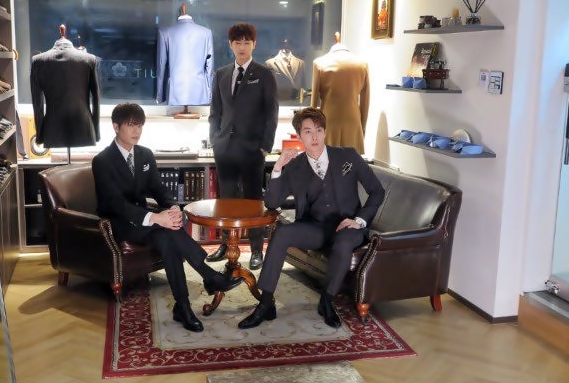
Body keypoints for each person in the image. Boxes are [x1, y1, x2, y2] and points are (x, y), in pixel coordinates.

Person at [92, 103, 243, 333]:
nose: (137, 131)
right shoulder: (102, 161)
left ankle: (183, 305)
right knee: (167, 231)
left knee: (167, 238)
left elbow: (158, 189)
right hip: (118, 224)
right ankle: (208, 276)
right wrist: (155, 218)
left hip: (144, 221)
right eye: (131, 125)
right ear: (115, 126)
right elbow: (116, 204)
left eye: (140, 125)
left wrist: (172, 208)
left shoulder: (144, 154)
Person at [238, 107, 385, 329]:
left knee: (344, 242)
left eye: (318, 130)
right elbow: (272, 202)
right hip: (316, 227)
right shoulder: (295, 167)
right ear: (300, 136)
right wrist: (277, 167)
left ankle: (326, 301)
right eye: (308, 131)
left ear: (325, 132)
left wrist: (359, 220)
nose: (314, 136)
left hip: (348, 227)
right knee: (282, 233)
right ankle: (266, 303)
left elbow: (377, 191)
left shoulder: (348, 156)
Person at [208, 23, 279, 270]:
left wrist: (265, 146)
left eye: (247, 42)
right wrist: (214, 139)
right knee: (226, 199)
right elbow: (215, 112)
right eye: (237, 42)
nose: (242, 47)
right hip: (224, 148)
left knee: (253, 200)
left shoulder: (265, 74)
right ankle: (226, 244)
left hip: (252, 149)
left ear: (254, 45)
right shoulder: (221, 74)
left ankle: (257, 249)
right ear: (230, 44)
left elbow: (271, 113)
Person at [311, 34, 369, 154]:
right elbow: (365, 99)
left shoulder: (319, 63)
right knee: (350, 161)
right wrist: (362, 126)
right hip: (353, 121)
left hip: (328, 120)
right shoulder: (362, 64)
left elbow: (314, 101)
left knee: (327, 160)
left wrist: (312, 128)